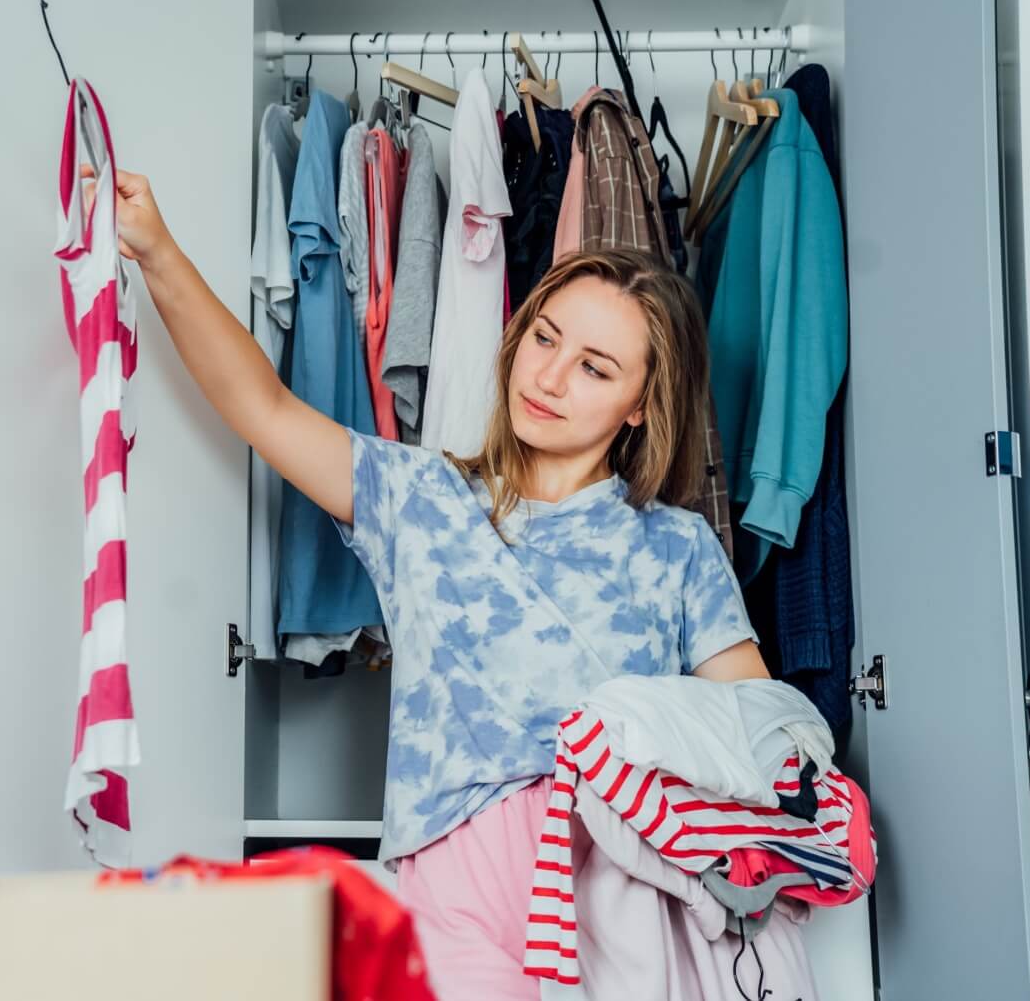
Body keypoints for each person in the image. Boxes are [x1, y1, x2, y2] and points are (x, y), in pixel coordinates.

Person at [111, 168, 768, 1000]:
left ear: (643, 403)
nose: (551, 377)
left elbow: (756, 740)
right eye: (545, 338)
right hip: (450, 881)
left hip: (620, 884)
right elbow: (262, 406)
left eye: (597, 368)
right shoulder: (419, 498)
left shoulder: (677, 548)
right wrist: (156, 249)